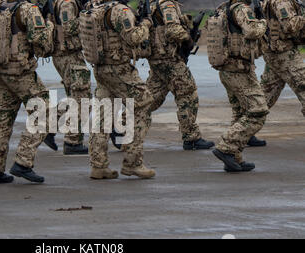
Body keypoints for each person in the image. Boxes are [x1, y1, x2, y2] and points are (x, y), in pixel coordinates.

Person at [80, 0, 156, 180]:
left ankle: (98, 165)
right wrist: (146, 24)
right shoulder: (120, 11)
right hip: (119, 69)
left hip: (101, 68)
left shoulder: (97, 9)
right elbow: (134, 37)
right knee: (144, 104)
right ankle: (133, 162)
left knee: (103, 115)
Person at [0, 0, 54, 184]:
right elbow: (41, 41)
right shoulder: (28, 9)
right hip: (19, 72)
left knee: (3, 121)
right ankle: (23, 161)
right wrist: (49, 24)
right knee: (43, 112)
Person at [208, 0, 269, 172]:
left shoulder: (224, 8)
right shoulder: (242, 9)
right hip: (239, 71)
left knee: (240, 113)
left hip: (229, 69)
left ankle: (234, 157)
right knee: (258, 111)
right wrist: (263, 22)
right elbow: (252, 31)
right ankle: (225, 147)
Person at [146, 0, 215, 151]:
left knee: (150, 98)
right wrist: (188, 39)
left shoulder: (152, 4)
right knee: (188, 94)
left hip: (159, 59)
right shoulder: (167, 5)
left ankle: (120, 124)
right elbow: (172, 30)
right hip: (169, 60)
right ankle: (191, 138)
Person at [40, 0, 91, 155]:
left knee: (75, 97)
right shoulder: (68, 3)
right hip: (68, 55)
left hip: (67, 55)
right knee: (82, 98)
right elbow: (69, 27)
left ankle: (49, 127)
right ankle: (72, 142)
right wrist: (88, 18)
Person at [250, 0, 305, 145]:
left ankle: (240, 134)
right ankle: (236, 138)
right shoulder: (282, 2)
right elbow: (289, 26)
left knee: (265, 97)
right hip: (284, 54)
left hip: (275, 54)